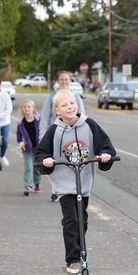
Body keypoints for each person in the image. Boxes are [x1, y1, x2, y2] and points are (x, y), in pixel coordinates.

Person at [35, 88, 116, 275]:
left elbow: (106, 146)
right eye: (64, 105)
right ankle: (72, 259)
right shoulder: (54, 130)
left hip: (83, 180)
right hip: (64, 184)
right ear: (57, 110)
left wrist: (106, 155)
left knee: (82, 220)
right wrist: (46, 161)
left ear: (77, 105)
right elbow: (41, 153)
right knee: (71, 220)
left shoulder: (89, 125)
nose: (69, 107)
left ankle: (80, 253)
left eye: (72, 103)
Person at [39, 71, 86, 201]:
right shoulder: (51, 98)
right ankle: (58, 189)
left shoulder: (76, 97)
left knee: (73, 161)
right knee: (56, 162)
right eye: (61, 80)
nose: (64, 82)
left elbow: (82, 116)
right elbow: (45, 117)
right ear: (58, 81)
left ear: (70, 81)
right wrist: (42, 136)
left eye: (66, 80)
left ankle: (75, 189)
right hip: (57, 135)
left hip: (73, 135)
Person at [16, 99, 42, 196]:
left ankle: (37, 183)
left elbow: (44, 131)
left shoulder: (39, 120)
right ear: (22, 109)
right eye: (24, 107)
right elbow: (18, 137)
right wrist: (21, 144)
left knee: (37, 167)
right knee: (29, 167)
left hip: (38, 148)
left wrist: (42, 139)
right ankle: (28, 186)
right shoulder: (20, 123)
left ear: (33, 108)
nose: (26, 109)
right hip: (27, 148)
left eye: (28, 107)